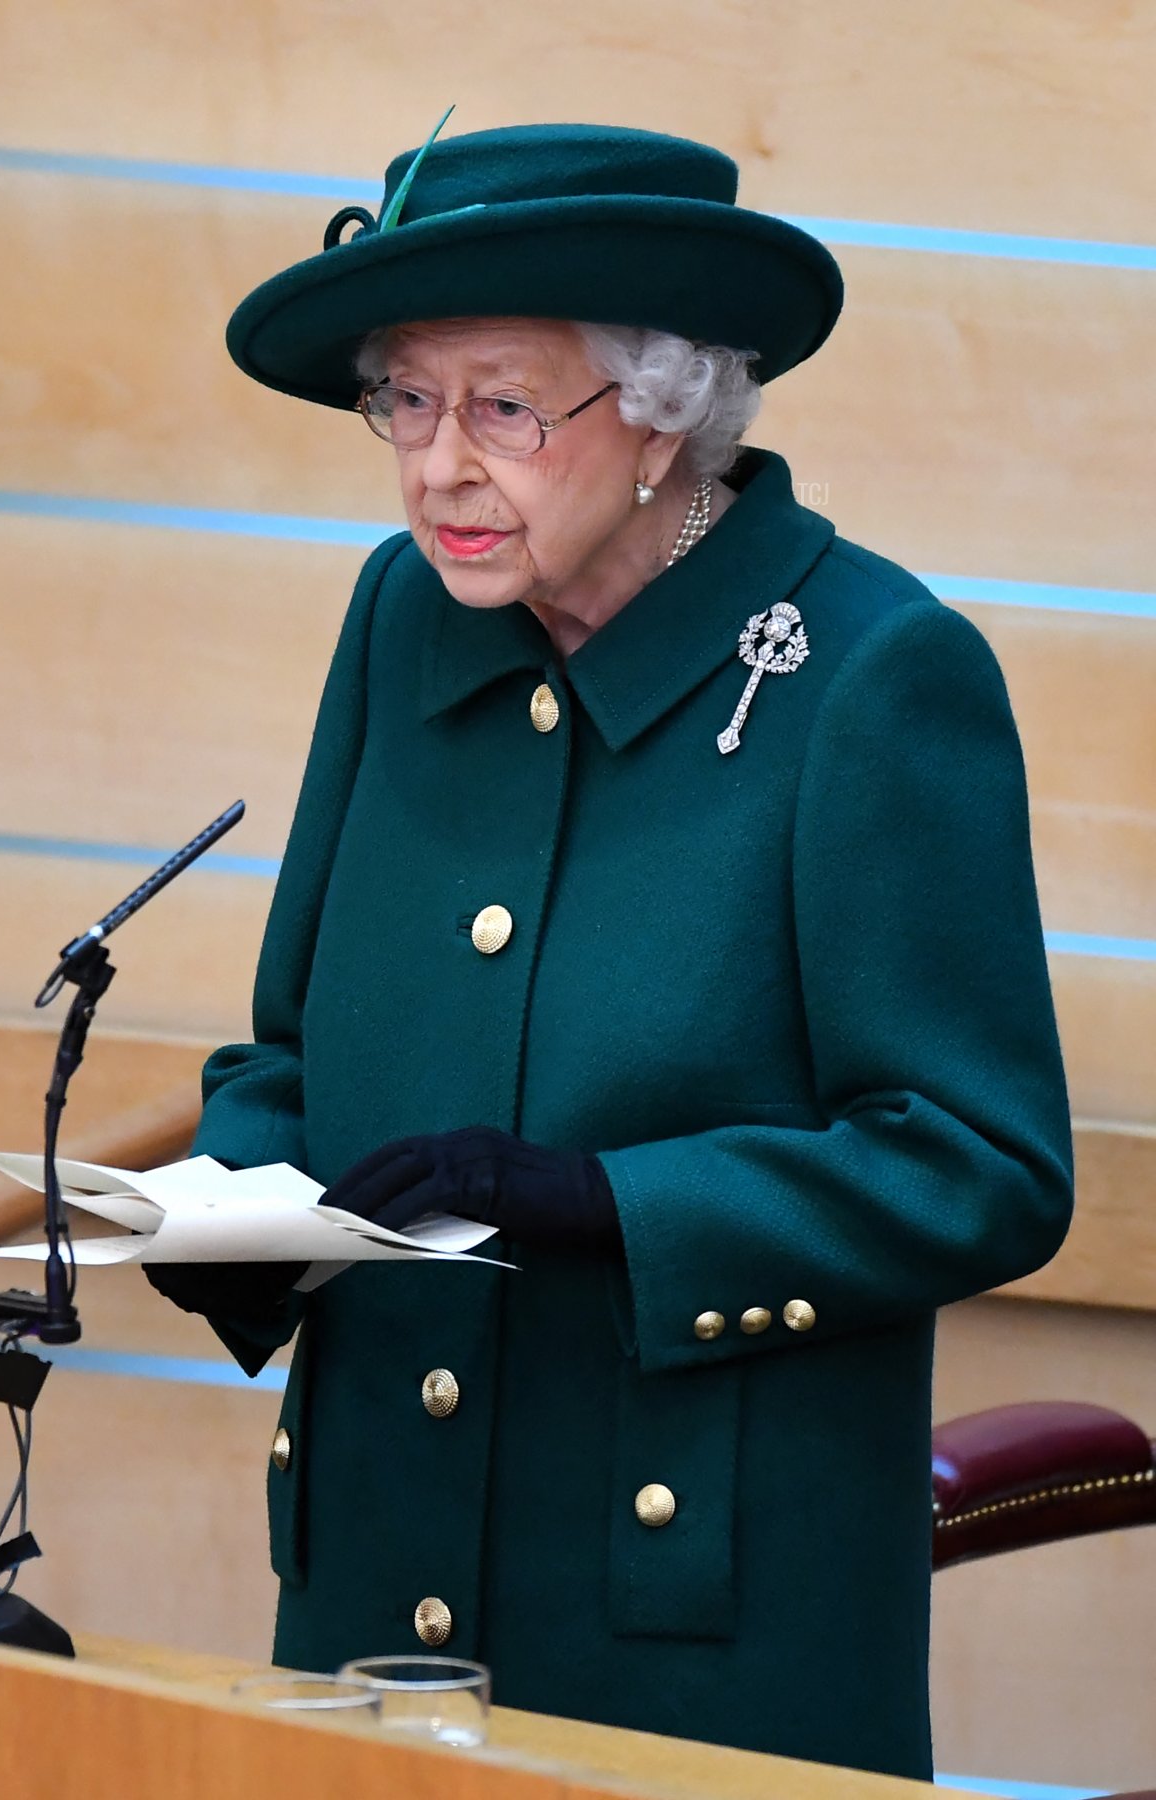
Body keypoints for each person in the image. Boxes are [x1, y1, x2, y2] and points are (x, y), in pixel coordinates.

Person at [147, 121, 1073, 1779]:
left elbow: (981, 1164)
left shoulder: (873, 677)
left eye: (501, 404)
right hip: (371, 1576)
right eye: (404, 400)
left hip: (688, 1625)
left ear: (664, 414)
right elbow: (289, 1050)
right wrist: (239, 1199)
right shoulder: (399, 615)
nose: (437, 466)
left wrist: (603, 1207)